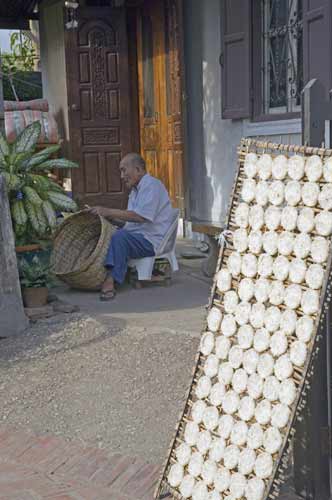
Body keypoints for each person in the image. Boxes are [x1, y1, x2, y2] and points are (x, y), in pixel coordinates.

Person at [89, 153, 174, 300]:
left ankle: (111, 280)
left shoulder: (151, 185)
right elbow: (130, 223)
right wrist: (107, 217)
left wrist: (108, 210)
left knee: (120, 237)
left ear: (138, 170)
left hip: (151, 241)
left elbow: (140, 217)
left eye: (124, 170)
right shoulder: (135, 190)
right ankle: (100, 274)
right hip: (138, 237)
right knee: (113, 233)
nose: (122, 176)